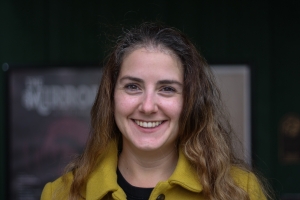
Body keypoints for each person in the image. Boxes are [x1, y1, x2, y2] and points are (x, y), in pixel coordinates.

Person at [41, 22, 270, 200]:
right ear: (110, 97)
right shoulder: (60, 194)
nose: (148, 106)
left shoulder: (240, 192)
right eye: (133, 86)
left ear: (190, 101)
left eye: (167, 89)